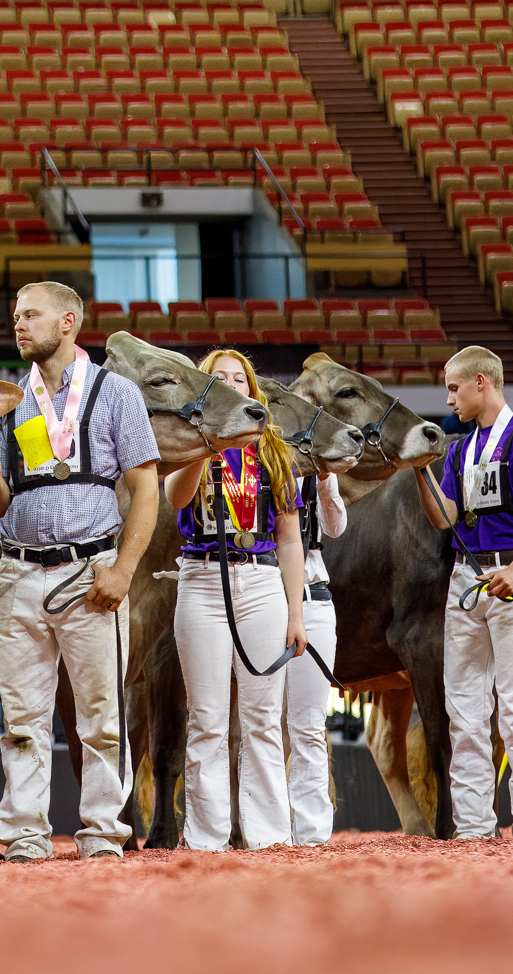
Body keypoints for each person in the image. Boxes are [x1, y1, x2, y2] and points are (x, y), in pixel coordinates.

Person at [0, 281, 161, 862]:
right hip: (19, 571)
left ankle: (103, 832)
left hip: (90, 571)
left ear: (68, 322)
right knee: (21, 720)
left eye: (31, 315)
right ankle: (26, 836)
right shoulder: (8, 399)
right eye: (15, 316)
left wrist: (123, 570)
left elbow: (146, 487)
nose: (19, 324)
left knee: (101, 716)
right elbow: (2, 505)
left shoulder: (116, 391)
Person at [164, 349, 307, 851]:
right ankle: (206, 836)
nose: (230, 384)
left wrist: (296, 613)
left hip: (261, 580)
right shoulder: (190, 442)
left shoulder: (274, 451)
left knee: (263, 718)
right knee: (206, 716)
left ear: (251, 389)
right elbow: (176, 499)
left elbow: (291, 539)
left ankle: (269, 835)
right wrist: (204, 447)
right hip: (201, 578)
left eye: (238, 379)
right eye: (218, 378)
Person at [414, 346, 513, 840]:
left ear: (481, 381)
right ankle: (473, 827)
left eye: (454, 388)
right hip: (467, 579)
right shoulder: (459, 451)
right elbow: (444, 518)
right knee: (465, 711)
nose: (448, 399)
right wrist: (419, 470)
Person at [287, 466, 347, 846]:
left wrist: (324, 479)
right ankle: (267, 830)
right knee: (260, 724)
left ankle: (311, 836)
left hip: (313, 595)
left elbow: (336, 526)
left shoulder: (315, 463)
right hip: (262, 590)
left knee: (309, 724)